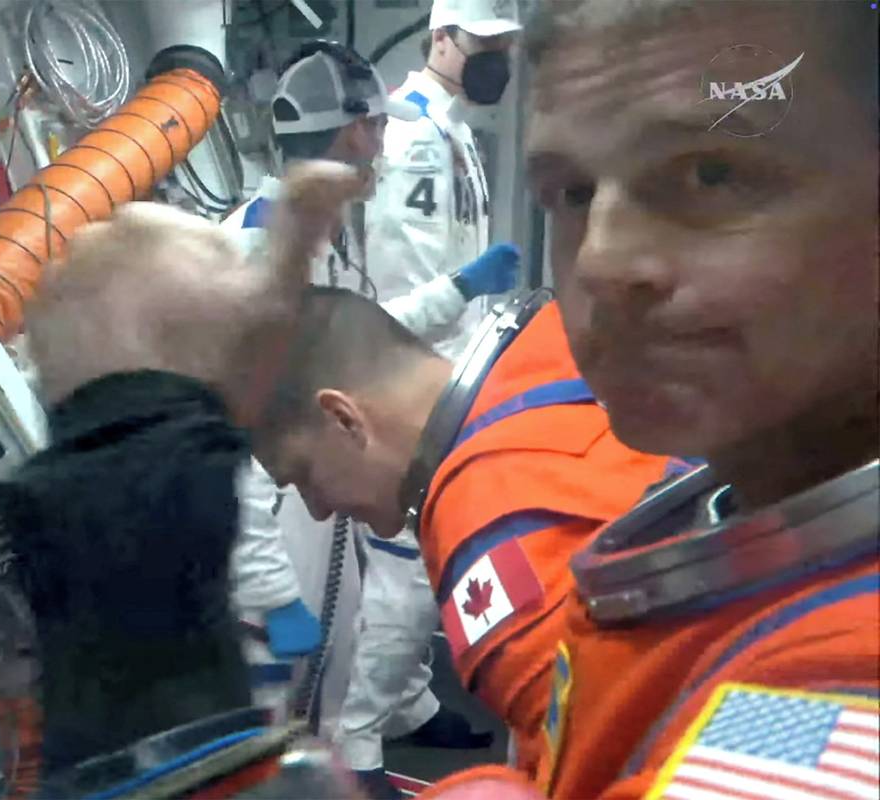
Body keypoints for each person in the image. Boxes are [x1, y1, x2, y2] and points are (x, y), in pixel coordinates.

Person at [427, 0, 880, 796]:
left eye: (712, 174)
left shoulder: (840, 693)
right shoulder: (735, 533)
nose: (600, 263)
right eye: (572, 193)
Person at [0, 163, 372, 797]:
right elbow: (255, 349)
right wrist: (294, 244)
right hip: (191, 763)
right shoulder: (171, 467)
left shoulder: (52, 490)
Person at [222, 40, 518, 797]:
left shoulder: (324, 236)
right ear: (358, 131)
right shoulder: (259, 254)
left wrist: (457, 289)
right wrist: (271, 591)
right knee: (267, 715)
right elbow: (233, 444)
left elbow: (360, 337)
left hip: (314, 490)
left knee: (331, 670)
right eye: (380, 129)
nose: (386, 146)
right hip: (274, 517)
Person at [249, 283, 678, 781]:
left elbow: (613, 773)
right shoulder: (556, 345)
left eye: (304, 475)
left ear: (344, 420)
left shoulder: (490, 532)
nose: (318, 510)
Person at [370, 0, 522, 362]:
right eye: (484, 44)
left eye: (505, 46)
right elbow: (399, 301)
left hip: (452, 363)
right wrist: (468, 285)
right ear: (440, 38)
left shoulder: (455, 128)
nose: (496, 59)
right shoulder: (410, 132)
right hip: (415, 367)